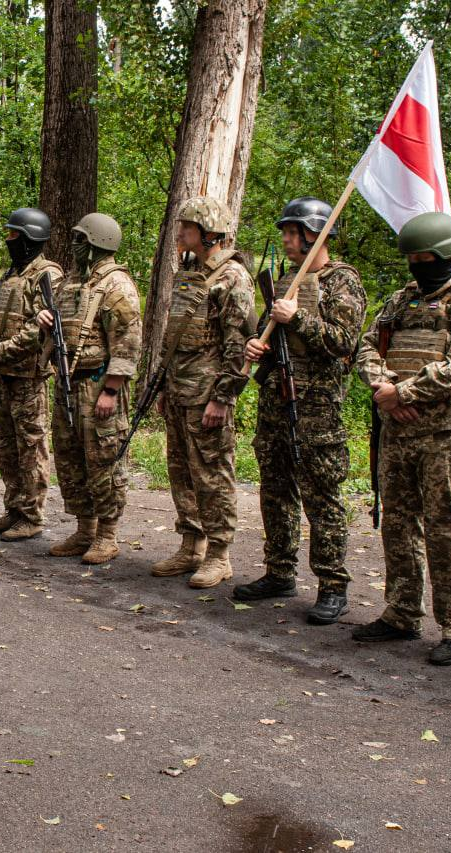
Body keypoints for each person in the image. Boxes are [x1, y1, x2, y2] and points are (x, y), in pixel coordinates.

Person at [353, 212, 451, 666]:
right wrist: (386, 391)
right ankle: (401, 612)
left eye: (425, 259)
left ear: (447, 255)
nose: (418, 267)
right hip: (397, 430)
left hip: (444, 435)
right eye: (412, 260)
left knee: (445, 530)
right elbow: (366, 346)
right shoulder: (402, 301)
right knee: (397, 523)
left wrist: (403, 391)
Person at [234, 197, 367, 625]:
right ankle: (279, 571)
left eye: (295, 233)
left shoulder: (341, 281)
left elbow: (344, 342)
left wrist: (298, 320)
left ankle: (332, 585)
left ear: (316, 234)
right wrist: (259, 346)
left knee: (322, 497)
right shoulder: (286, 281)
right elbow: (270, 337)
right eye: (286, 234)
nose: (288, 241)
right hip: (276, 403)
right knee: (275, 492)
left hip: (317, 411)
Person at [149, 196, 256, 589]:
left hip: (207, 393)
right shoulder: (189, 271)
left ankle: (219, 554)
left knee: (213, 475)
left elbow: (239, 345)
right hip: (179, 388)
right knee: (180, 471)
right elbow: (172, 334)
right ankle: (190, 544)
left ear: (209, 233)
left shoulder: (231, 277)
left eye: (187, 227)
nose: (179, 233)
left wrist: (223, 397)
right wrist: (163, 385)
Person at [39, 213, 142, 564]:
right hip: (69, 382)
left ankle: (107, 535)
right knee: (70, 460)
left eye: (81, 239)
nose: (74, 245)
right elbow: (61, 330)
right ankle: (85, 529)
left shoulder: (117, 286)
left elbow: (128, 344)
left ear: (98, 242)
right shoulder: (71, 283)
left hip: (99, 383)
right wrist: (44, 323)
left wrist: (111, 391)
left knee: (104, 461)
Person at [0, 208, 60, 540]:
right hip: (3, 375)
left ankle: (33, 515)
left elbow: (37, 331)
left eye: (13, 235)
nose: (8, 240)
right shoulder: (11, 274)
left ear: (29, 238)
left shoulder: (47, 276)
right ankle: (14, 508)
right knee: (7, 446)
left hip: (27, 378)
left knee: (31, 447)